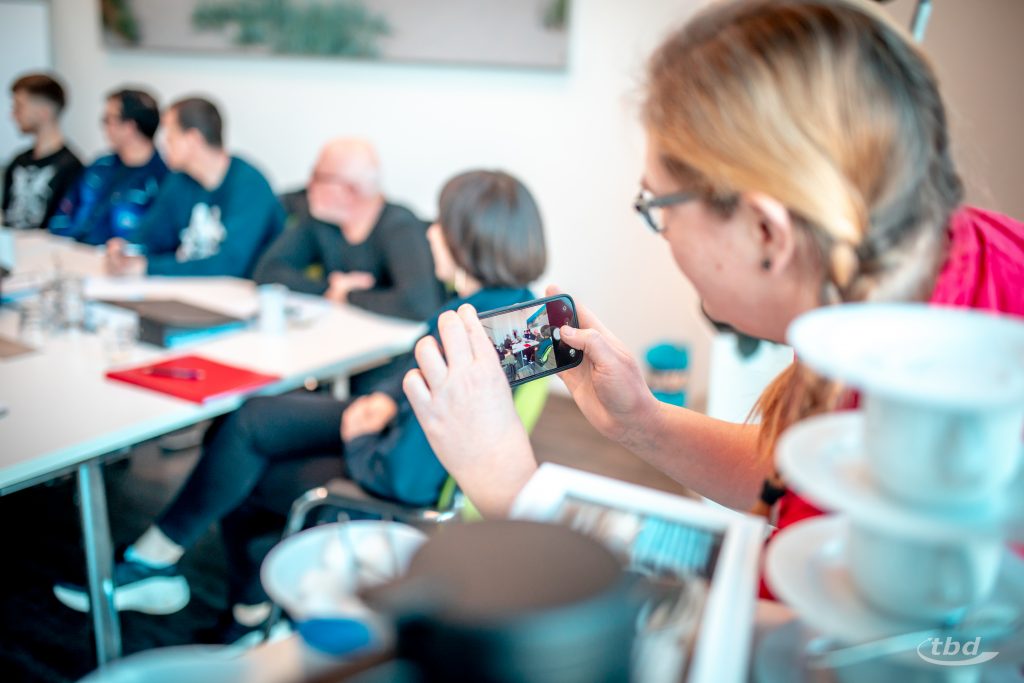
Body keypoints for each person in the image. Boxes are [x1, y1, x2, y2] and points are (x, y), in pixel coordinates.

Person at [398, 0, 1024, 589]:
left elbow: (783, 650)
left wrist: (509, 485)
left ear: (764, 231)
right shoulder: (887, 277)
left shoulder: (930, 427)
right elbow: (800, 474)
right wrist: (642, 421)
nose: (659, 231)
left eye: (658, 206)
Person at [54, 170, 547, 643]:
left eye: (440, 224)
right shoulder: (516, 313)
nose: (431, 233)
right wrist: (381, 397)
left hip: (393, 464)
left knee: (246, 474)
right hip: (391, 426)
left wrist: (359, 438)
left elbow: (407, 477)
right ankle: (163, 561)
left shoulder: (466, 332)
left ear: (467, 238)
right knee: (252, 419)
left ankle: (248, 614)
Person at [253, 138, 443, 321]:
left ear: (352, 189)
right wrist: (330, 289)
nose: (309, 184)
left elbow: (419, 305)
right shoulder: (322, 219)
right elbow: (268, 271)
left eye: (319, 176)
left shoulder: (399, 226)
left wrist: (348, 295)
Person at [105, 97, 283, 278]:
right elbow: (150, 235)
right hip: (187, 289)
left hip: (234, 295)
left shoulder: (250, 186)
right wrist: (124, 249)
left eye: (170, 136)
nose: (165, 144)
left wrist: (149, 267)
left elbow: (229, 265)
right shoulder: (179, 180)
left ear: (193, 139)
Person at [49, 88, 168, 245]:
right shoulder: (100, 166)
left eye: (108, 119)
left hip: (120, 262)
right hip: (70, 252)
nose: (103, 125)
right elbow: (62, 216)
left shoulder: (163, 178)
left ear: (130, 127)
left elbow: (158, 239)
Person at [1, 73, 82, 230]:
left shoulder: (71, 168)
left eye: (19, 107)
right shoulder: (18, 162)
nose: (13, 115)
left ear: (43, 111)